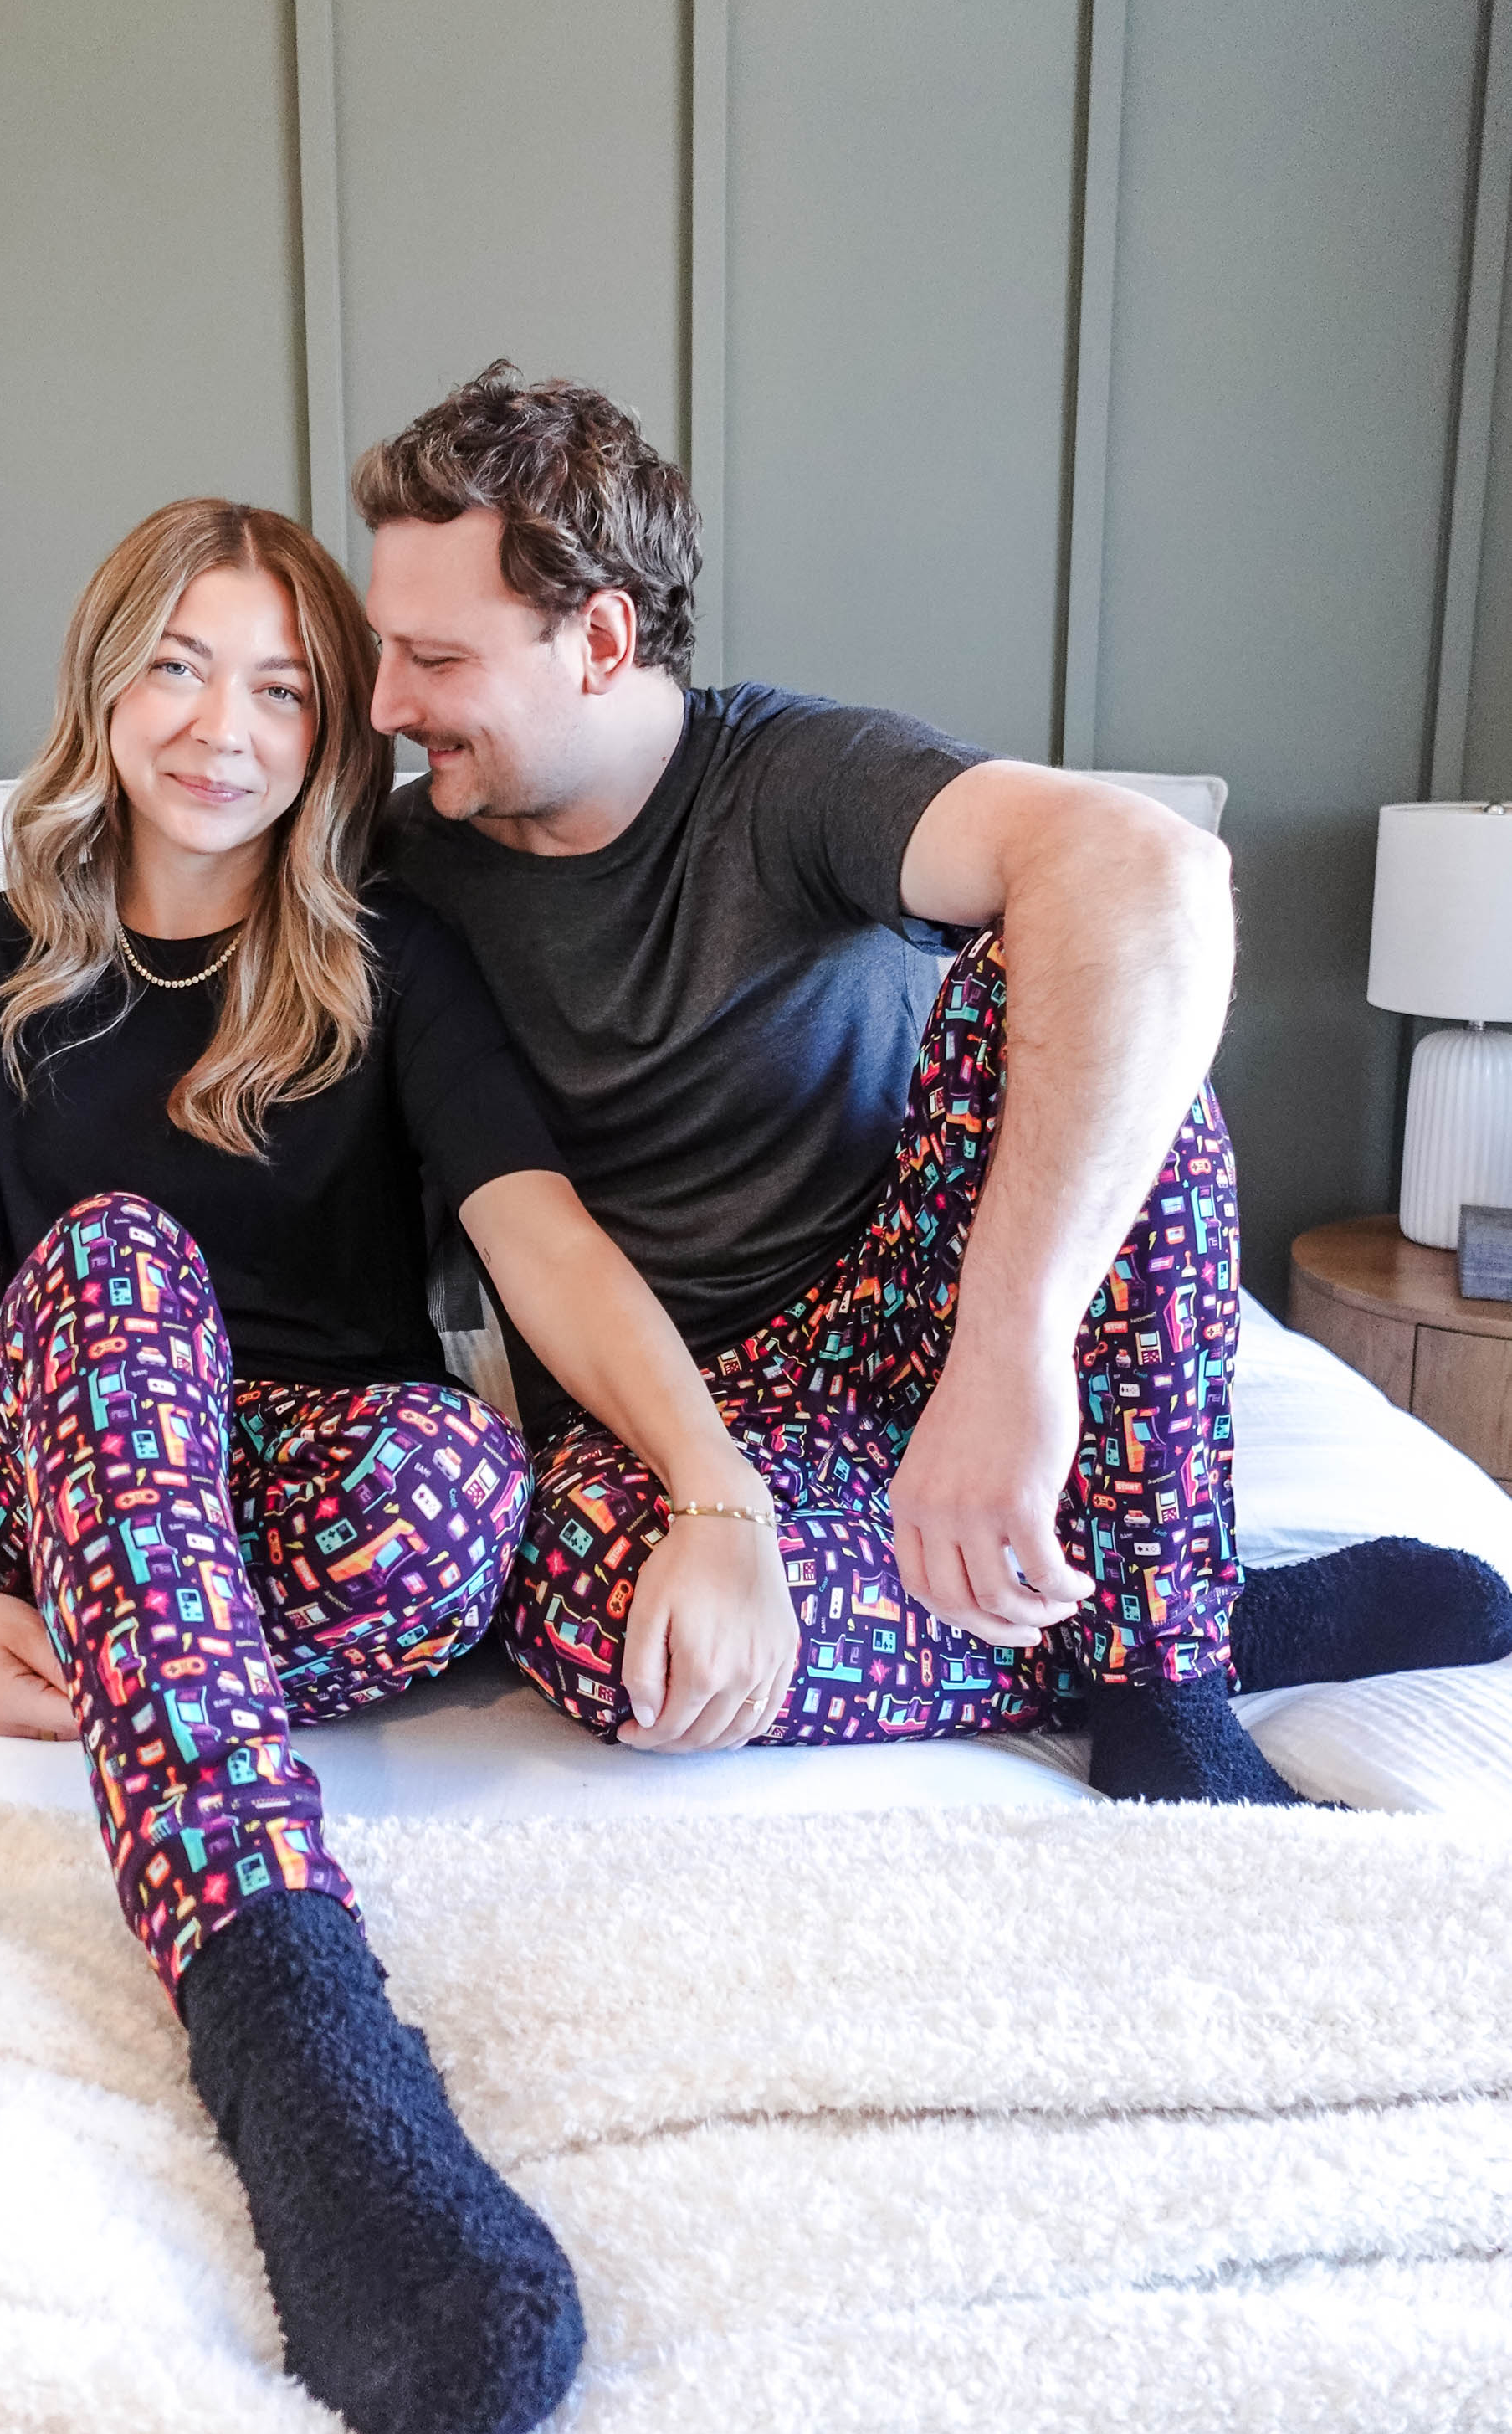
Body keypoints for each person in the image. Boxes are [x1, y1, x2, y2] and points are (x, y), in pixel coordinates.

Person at [0, 496, 799, 2434]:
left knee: (461, 1476)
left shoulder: (394, 960)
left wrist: (720, 1493)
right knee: (111, 1255)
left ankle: (138, 1660)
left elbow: (535, 1245)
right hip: (76, 1432)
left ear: (336, 731)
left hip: (279, 1493)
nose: (222, 725)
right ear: (106, 681)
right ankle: (288, 2012)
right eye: (179, 663)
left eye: (282, 684)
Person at [356, 363, 1512, 1800]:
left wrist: (1008, 1354)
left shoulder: (795, 774)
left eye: (437, 659)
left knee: (1102, 1001)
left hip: (921, 1333)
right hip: (661, 1417)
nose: (387, 701)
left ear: (597, 637)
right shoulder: (399, 871)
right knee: (614, 1633)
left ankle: (1167, 1701)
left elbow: (1149, 870)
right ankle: (1201, 1613)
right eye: (382, 651)